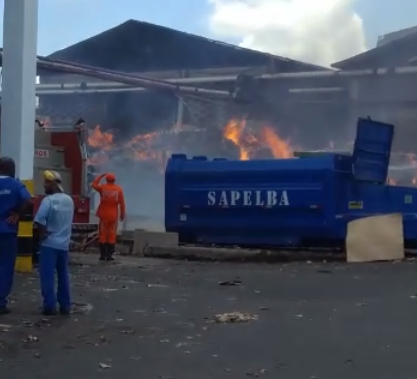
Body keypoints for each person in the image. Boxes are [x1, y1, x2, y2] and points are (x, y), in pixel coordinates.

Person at [34, 170, 74, 316]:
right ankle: (65, 305)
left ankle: (49, 306)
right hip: (64, 245)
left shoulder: (48, 201)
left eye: (46, 183)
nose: (44, 186)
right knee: (63, 275)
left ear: (51, 183)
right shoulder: (69, 200)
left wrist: (42, 235)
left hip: (49, 244)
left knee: (47, 276)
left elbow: (39, 220)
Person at [0, 157, 32, 315]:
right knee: (5, 267)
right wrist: (18, 213)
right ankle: (1, 303)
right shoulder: (17, 185)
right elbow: (28, 200)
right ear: (11, 169)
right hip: (7, 231)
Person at [92, 173, 125, 261]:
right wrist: (122, 214)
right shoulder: (118, 190)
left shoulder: (102, 188)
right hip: (113, 215)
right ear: (114, 180)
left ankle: (102, 255)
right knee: (112, 235)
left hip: (103, 215)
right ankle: (109, 255)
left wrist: (100, 176)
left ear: (106, 179)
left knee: (102, 235)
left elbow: (94, 185)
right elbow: (122, 203)